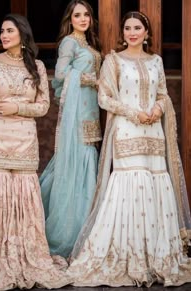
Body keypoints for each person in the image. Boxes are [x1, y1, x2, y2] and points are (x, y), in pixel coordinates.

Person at [66, 11, 191, 287]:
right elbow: (104, 97)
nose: (132, 32)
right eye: (127, 28)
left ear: (146, 32)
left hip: (154, 132)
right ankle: (128, 255)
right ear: (123, 33)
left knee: (156, 182)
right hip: (127, 130)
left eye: (137, 28)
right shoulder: (114, 60)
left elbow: (163, 94)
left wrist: (158, 108)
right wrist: (134, 113)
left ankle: (157, 256)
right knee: (129, 182)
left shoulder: (156, 61)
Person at [0, 13, 69, 291]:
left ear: (22, 34)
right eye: (2, 31)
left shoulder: (37, 66)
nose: (3, 36)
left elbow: (43, 106)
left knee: (22, 194)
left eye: (9, 31)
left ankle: (24, 256)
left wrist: (17, 108)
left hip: (23, 139)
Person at [39, 0, 102, 260]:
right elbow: (62, 75)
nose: (83, 19)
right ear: (70, 18)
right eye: (78, 15)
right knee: (74, 165)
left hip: (91, 113)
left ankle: (84, 232)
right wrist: (90, 80)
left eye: (87, 14)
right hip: (76, 116)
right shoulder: (69, 42)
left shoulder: (90, 44)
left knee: (87, 166)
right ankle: (66, 235)